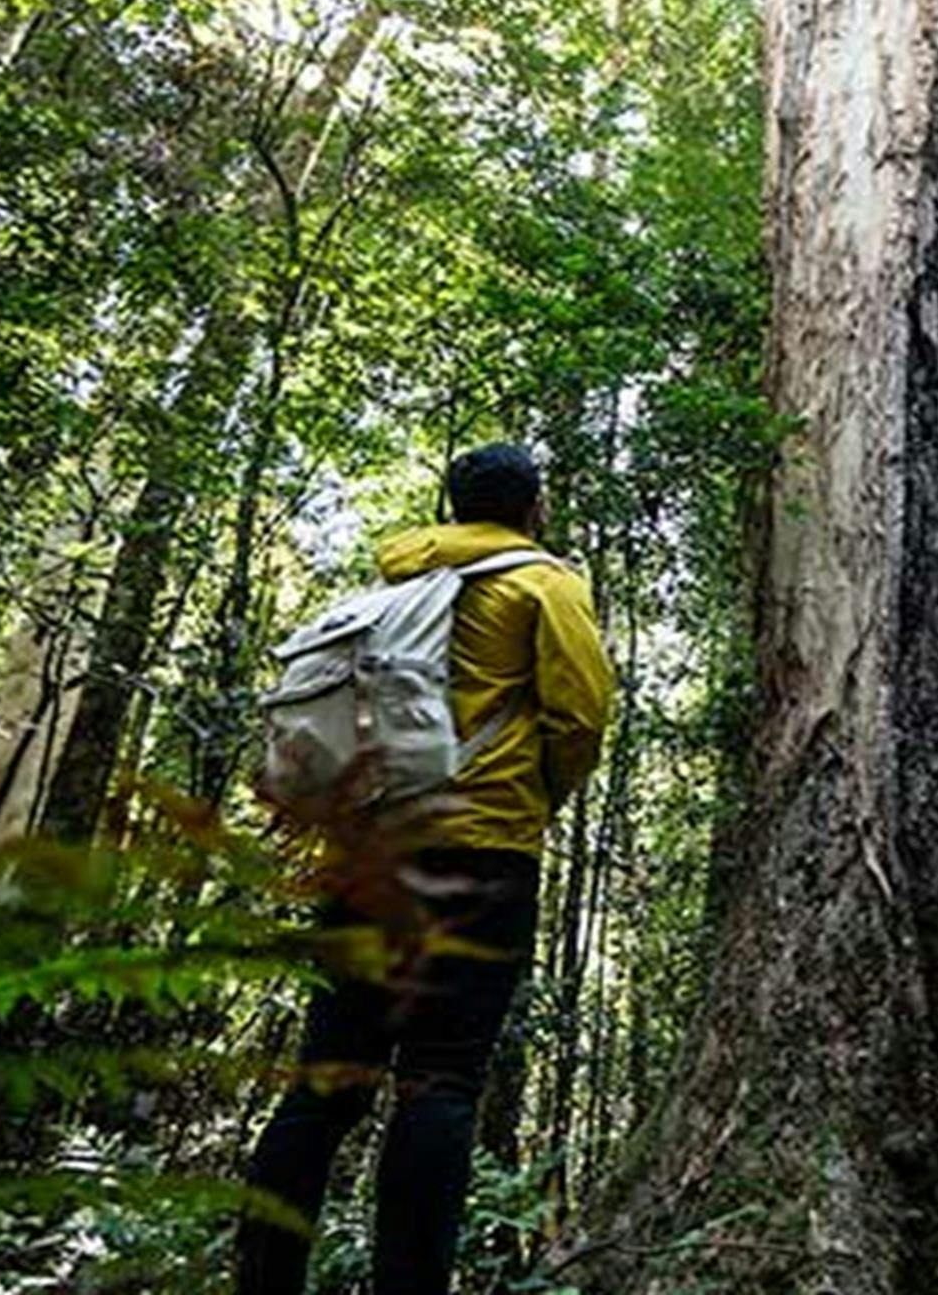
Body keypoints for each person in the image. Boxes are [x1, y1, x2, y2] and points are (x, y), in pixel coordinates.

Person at [237, 442, 614, 1295]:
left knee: (326, 1082)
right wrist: (530, 797)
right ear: (535, 508)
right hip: (480, 852)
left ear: (453, 505)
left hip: (366, 855)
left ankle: (263, 1280)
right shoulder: (544, 584)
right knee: (440, 1081)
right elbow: (581, 715)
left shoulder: (394, 588)